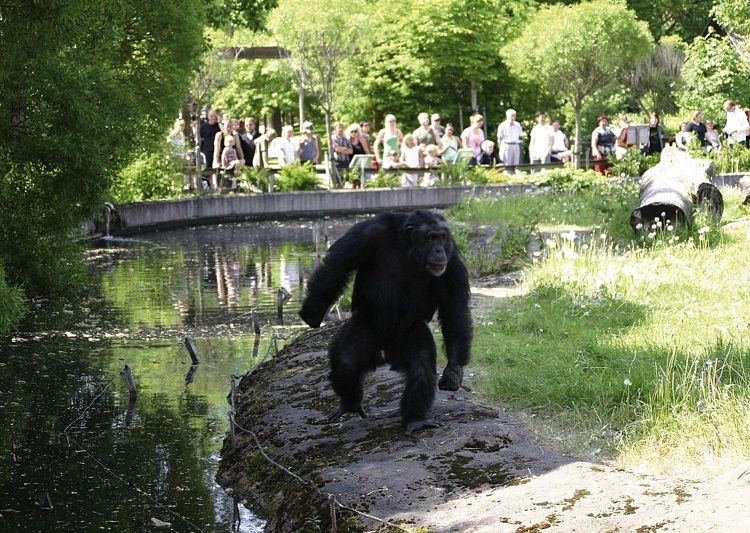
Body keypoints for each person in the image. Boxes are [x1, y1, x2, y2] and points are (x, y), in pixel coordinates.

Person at [331, 121, 353, 186]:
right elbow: (336, 149)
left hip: (346, 162)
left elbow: (351, 151)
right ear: (335, 129)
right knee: (337, 181)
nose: (340, 129)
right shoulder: (332, 138)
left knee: (345, 181)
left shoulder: (346, 139)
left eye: (342, 127)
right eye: (339, 127)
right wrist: (345, 149)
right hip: (337, 162)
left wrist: (341, 149)